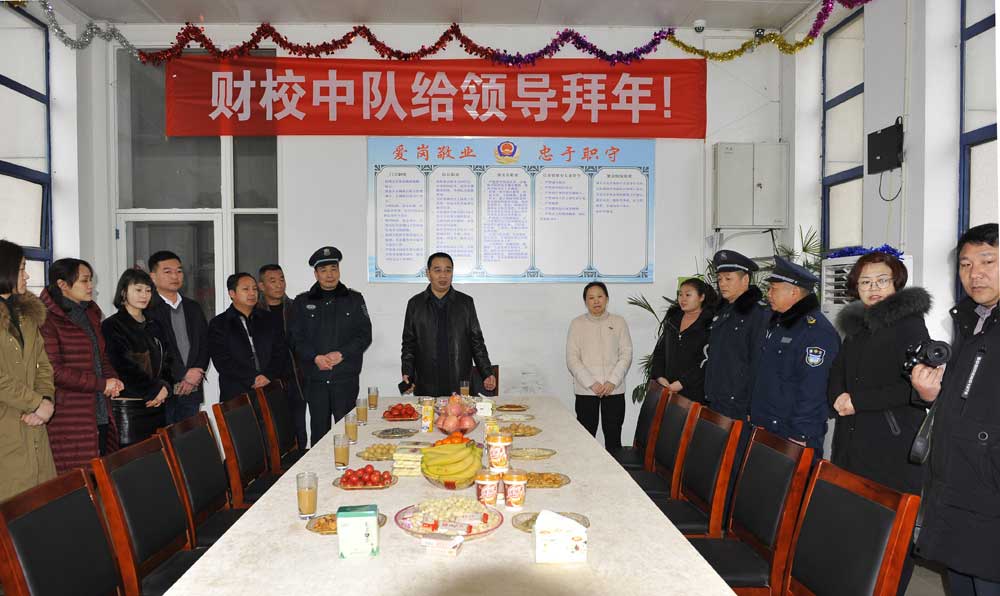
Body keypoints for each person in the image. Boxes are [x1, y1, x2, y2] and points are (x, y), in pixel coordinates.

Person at [911, 223, 1000, 595]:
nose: (975, 273)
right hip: (957, 481)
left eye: (988, 261)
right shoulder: (971, 320)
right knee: (961, 580)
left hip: (989, 489)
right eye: (965, 264)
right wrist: (930, 395)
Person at [828, 251, 930, 492]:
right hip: (850, 436)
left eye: (882, 280)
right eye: (865, 282)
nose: (873, 287)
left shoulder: (910, 326)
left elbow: (914, 388)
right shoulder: (857, 327)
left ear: (896, 283)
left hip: (891, 442)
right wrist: (837, 395)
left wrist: (858, 401)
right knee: (845, 503)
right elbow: (837, 369)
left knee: (883, 510)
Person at [39, 258, 124, 473]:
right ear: (62, 284)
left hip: (100, 411)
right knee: (76, 481)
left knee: (101, 477)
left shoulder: (89, 313)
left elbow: (100, 356)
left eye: (91, 280)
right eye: (84, 281)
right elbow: (54, 370)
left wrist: (112, 379)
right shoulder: (47, 319)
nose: (90, 286)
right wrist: (101, 384)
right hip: (69, 416)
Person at [749, 256, 840, 457]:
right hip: (768, 425)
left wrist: (801, 433)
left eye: (773, 289)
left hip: (792, 433)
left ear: (794, 292)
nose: (768, 294)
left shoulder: (816, 332)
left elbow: (814, 388)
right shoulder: (780, 324)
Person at [289, 247, 372, 445]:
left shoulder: (354, 299)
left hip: (345, 379)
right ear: (316, 274)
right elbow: (294, 338)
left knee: (348, 433)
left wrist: (342, 354)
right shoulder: (302, 302)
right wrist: (314, 357)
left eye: (334, 269)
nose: (329, 275)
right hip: (315, 380)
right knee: (319, 433)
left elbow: (364, 335)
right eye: (324, 270)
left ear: (339, 271)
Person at [0, 240, 57, 502]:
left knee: (38, 503)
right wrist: (35, 402)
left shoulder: (25, 315)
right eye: (22, 268)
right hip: (7, 424)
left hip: (33, 425)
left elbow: (43, 365)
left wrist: (45, 400)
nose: (27, 276)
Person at [400, 252, 496, 396]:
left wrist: (487, 372)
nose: (443, 275)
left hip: (459, 380)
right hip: (426, 382)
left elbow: (476, 342)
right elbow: (409, 344)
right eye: (437, 270)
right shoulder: (415, 304)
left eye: (448, 270)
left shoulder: (465, 303)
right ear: (428, 273)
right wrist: (407, 372)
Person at [101, 269, 172, 445]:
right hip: (129, 406)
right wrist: (153, 389)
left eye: (148, 290)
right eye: (138, 290)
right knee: (132, 457)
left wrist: (164, 387)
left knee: (159, 453)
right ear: (123, 292)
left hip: (158, 402)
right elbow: (120, 365)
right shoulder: (112, 326)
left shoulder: (154, 324)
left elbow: (168, 360)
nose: (144, 295)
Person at [703, 250, 771, 419]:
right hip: (717, 398)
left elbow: (758, 363)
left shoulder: (758, 313)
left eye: (728, 279)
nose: (722, 284)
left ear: (745, 279)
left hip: (739, 403)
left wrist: (751, 406)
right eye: (720, 279)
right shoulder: (722, 310)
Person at [566, 282, 633, 451]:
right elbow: (572, 359)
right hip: (587, 390)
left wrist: (612, 381)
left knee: (613, 437)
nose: (596, 301)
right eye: (591, 298)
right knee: (586, 439)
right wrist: (592, 383)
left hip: (614, 390)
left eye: (600, 296)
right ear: (585, 301)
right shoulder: (577, 324)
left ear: (607, 299)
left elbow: (626, 354)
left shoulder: (619, 322)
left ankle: (614, 468)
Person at [146, 250, 209, 425]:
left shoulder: (193, 307)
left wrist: (197, 372)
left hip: (192, 389)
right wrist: (183, 374)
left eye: (179, 271)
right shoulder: (148, 309)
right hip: (163, 390)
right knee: (164, 438)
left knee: (190, 436)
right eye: (168, 271)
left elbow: (205, 344)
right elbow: (156, 351)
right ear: (153, 277)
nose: (175, 276)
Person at [209, 273, 289, 402]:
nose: (252, 293)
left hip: (270, 388)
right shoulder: (219, 324)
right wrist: (253, 378)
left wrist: (267, 376)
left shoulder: (269, 319)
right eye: (246, 289)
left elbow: (280, 351)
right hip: (236, 392)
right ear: (232, 293)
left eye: (254, 289)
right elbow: (222, 360)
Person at [257, 263, 308, 450]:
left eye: (281, 279)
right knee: (270, 434)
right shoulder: (255, 312)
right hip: (267, 381)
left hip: (295, 380)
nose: (279, 285)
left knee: (298, 430)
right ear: (261, 286)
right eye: (272, 281)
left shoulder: (296, 308)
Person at [649, 277, 717, 404]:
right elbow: (660, 352)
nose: (683, 299)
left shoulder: (710, 324)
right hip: (668, 389)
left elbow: (707, 361)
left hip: (695, 393)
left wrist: (682, 383)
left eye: (688, 295)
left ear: (701, 297)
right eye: (680, 294)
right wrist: (660, 376)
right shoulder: (673, 320)